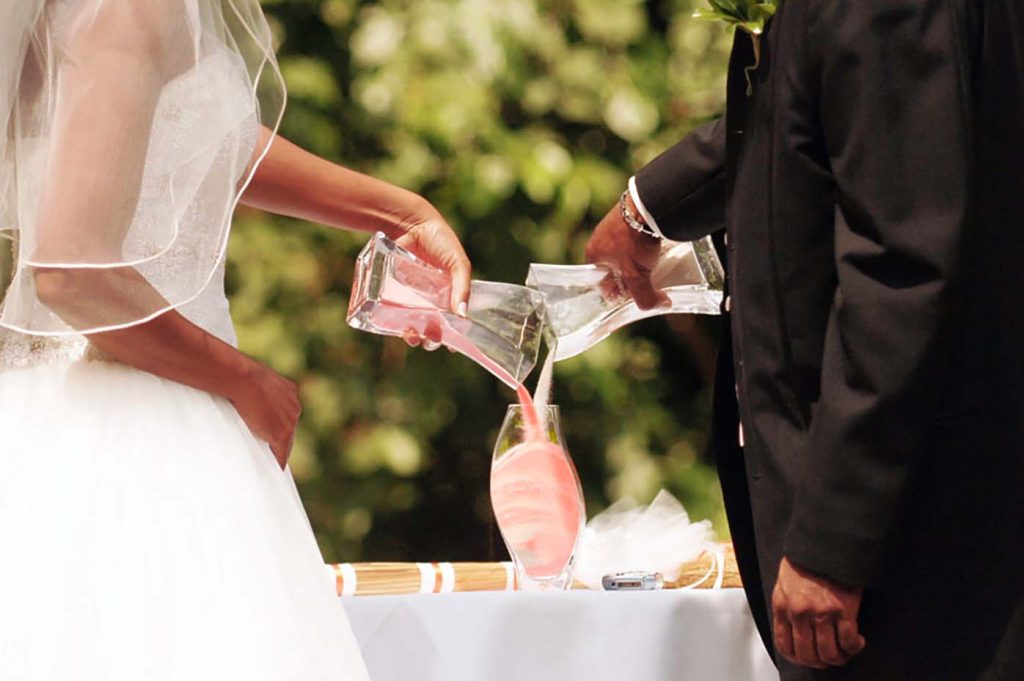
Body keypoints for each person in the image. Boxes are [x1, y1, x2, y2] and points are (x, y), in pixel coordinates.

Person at [0, 1, 469, 678]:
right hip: (141, 444)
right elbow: (72, 274)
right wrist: (244, 380)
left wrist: (399, 212)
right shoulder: (132, 8)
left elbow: (180, 136)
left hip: (53, 418)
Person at [587, 1, 1024, 679]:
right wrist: (655, 204)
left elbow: (899, 270)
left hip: (919, 535)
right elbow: (833, 110)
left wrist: (834, 543)